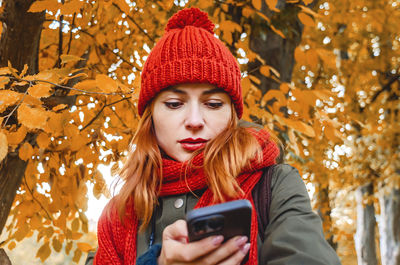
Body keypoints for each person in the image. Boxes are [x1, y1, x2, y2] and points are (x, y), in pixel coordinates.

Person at [91, 7, 342, 265]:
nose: (195, 121)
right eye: (175, 104)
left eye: (213, 104)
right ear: (150, 116)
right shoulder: (117, 216)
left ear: (231, 115)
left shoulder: (274, 185)